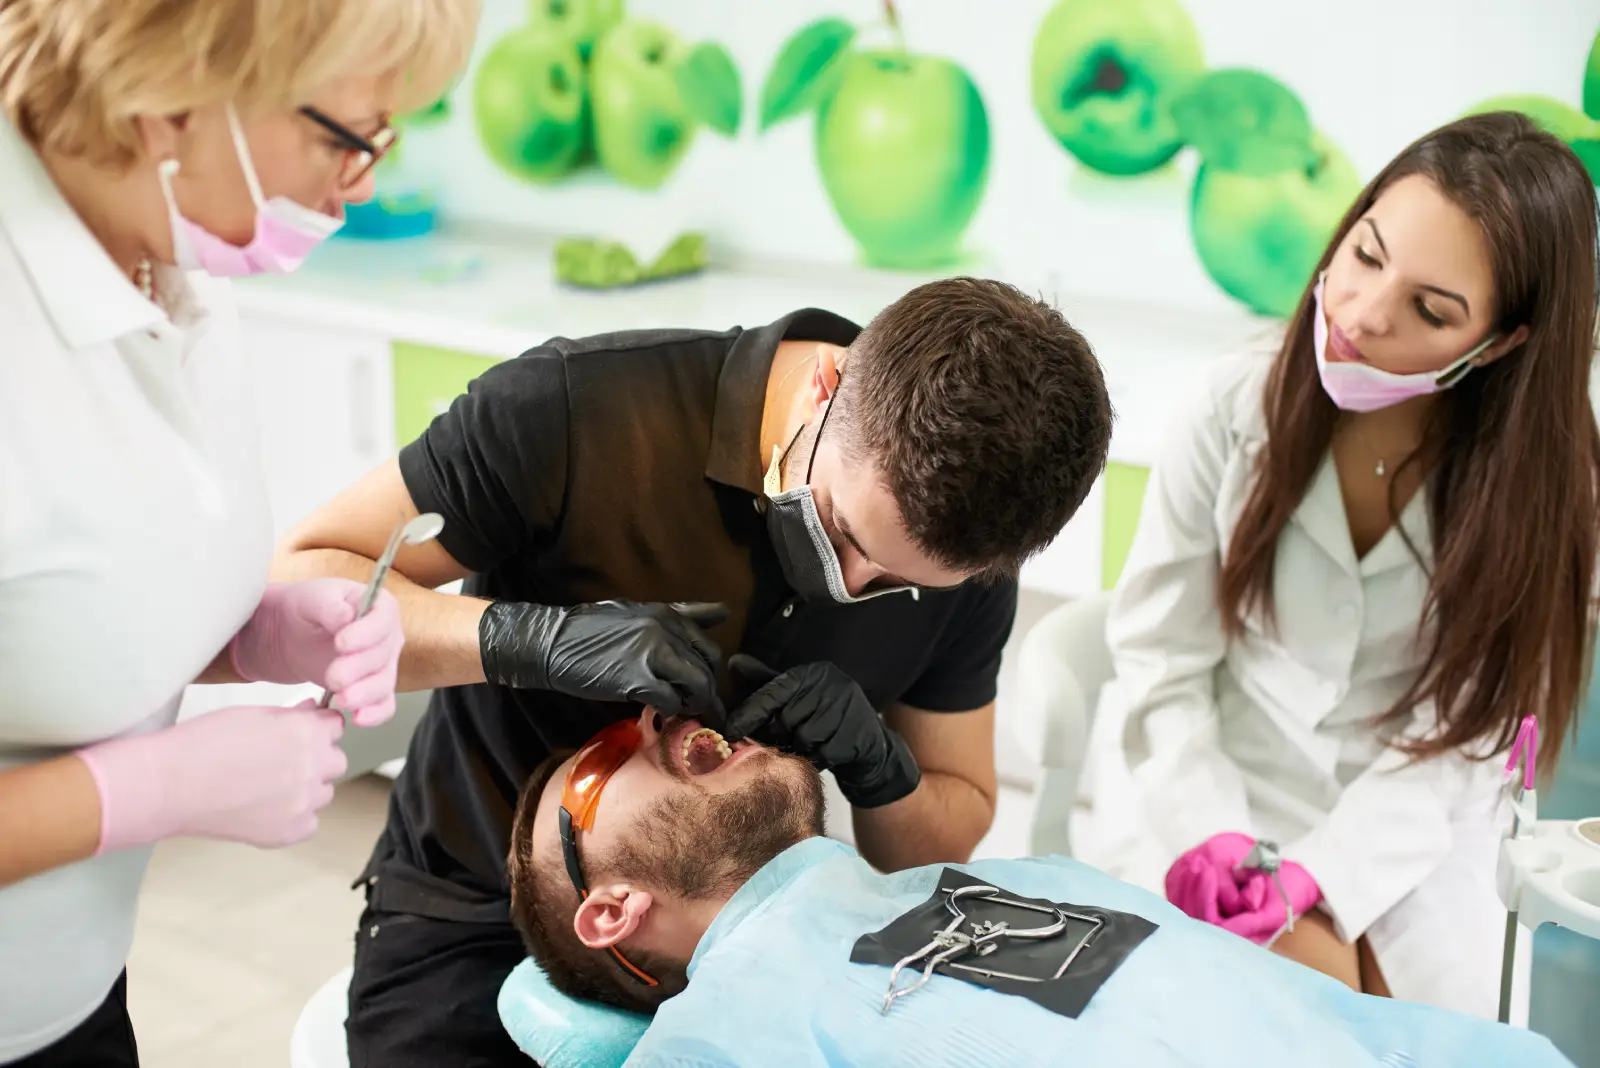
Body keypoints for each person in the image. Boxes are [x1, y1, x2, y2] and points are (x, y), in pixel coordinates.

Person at [272, 277, 1114, 1065]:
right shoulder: (576, 411)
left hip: (779, 940)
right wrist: (530, 639)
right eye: (847, 533)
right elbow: (301, 578)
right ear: (827, 387)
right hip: (472, 916)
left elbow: (943, 832)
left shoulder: (970, 563)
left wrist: (879, 769)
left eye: (898, 584)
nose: (852, 587)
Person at [0, 1, 477, 1063]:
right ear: (174, 92)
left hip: (69, 996)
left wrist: (250, 634)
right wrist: (138, 791)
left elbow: (53, 598)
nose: (358, 187)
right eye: (343, 140)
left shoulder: (163, 251)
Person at [1066, 111, 1600, 1019]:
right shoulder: (1234, 404)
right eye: (1365, 254)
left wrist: (1325, 874)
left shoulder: (1551, 489)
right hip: (1212, 778)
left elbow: (1463, 743)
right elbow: (1162, 660)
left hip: (1411, 825)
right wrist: (1218, 836)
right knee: (1299, 1002)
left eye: (1431, 309)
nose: (1361, 315)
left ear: (1503, 344)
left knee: (1415, 1025)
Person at [500, 712, 1575, 1068]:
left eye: (658, 711)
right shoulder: (721, 1029)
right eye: (607, 757)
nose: (671, 725)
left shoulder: (1002, 877)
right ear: (610, 909)